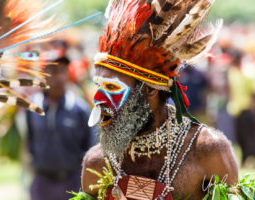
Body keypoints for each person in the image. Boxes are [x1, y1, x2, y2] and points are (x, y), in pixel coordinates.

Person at [80, 0, 239, 200]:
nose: (98, 99)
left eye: (111, 87)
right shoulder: (97, 164)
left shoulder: (207, 151)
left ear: (149, 90)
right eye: (99, 86)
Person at [26, 56, 95, 200]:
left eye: (63, 71)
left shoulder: (79, 109)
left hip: (72, 183)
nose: (59, 77)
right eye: (53, 71)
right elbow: (30, 140)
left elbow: (90, 148)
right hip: (42, 184)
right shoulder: (33, 107)